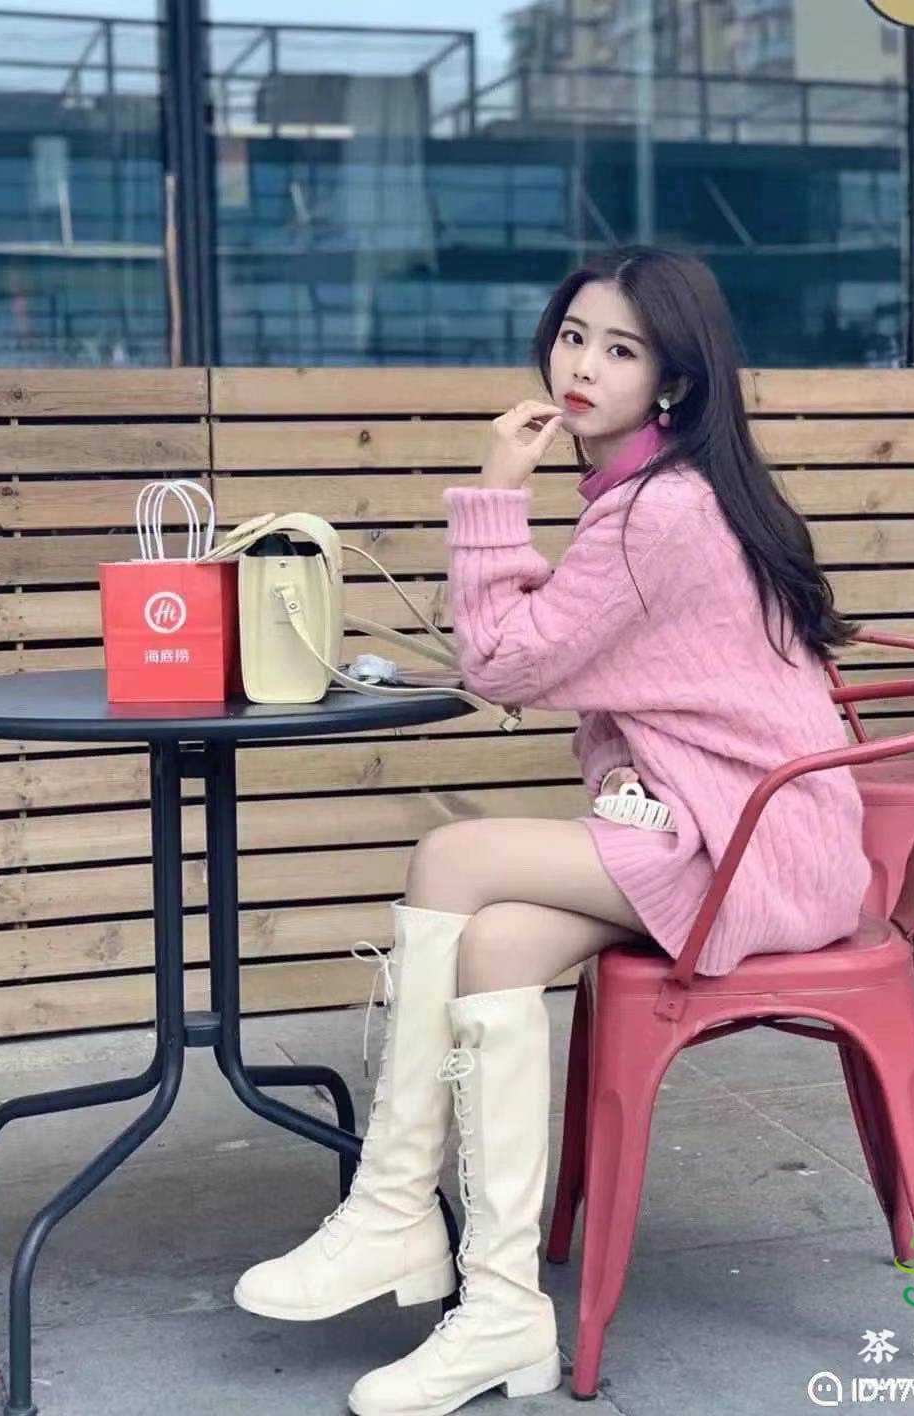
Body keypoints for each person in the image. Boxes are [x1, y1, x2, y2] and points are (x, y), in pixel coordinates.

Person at [232, 244, 873, 1415]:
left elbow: (501, 662)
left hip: (756, 846)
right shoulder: (653, 495)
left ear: (673, 382)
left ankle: (391, 1211)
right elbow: (584, 671)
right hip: (717, 826)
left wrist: (493, 489)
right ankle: (502, 1311)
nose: (582, 366)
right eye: (575, 336)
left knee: (451, 855)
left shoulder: (658, 515)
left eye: (621, 350)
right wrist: (613, 759)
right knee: (494, 943)